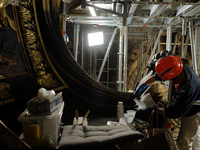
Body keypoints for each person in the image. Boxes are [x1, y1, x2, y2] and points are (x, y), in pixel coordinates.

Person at [134, 55, 200, 150]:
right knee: (195, 138)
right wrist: (144, 85)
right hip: (193, 103)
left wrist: (156, 110)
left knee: (184, 141)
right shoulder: (179, 66)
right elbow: (157, 76)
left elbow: (174, 112)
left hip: (194, 111)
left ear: (173, 76)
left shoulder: (187, 88)